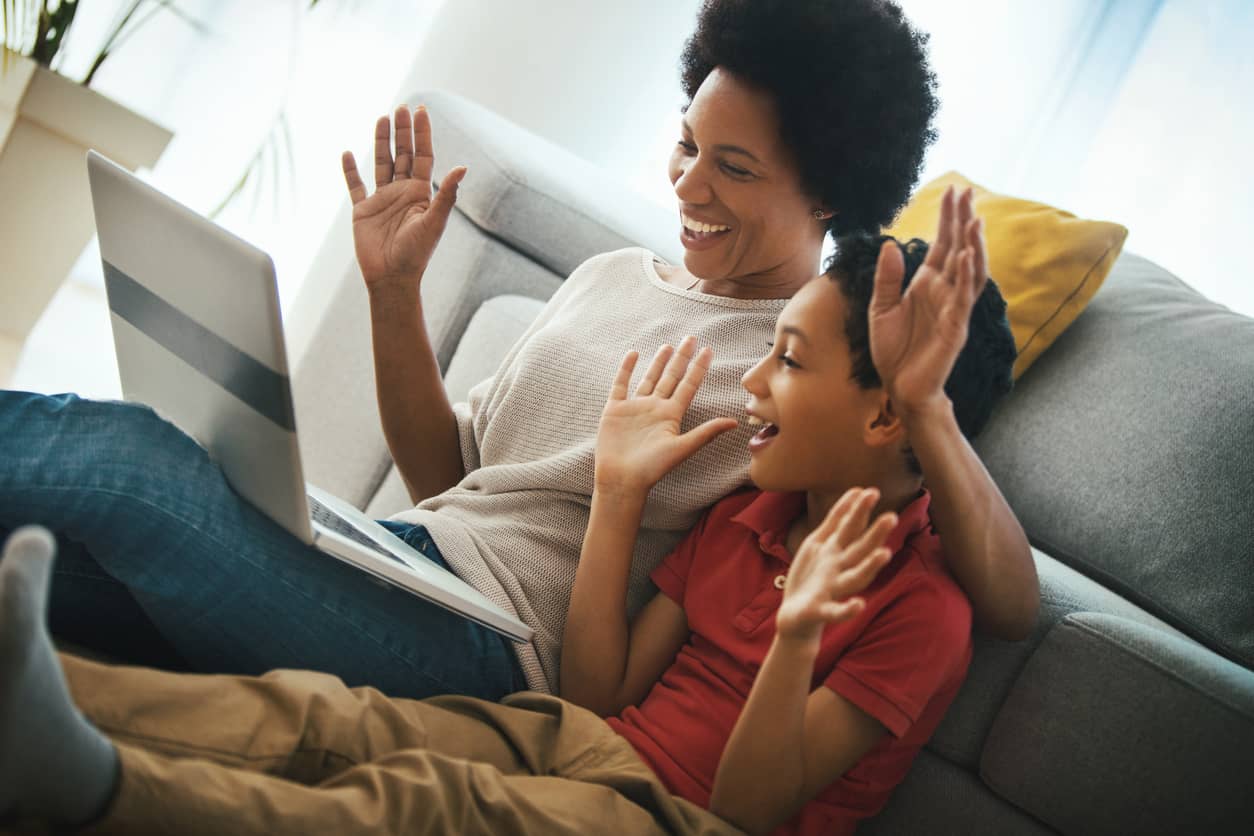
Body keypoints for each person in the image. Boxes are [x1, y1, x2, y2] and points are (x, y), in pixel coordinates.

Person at [0, 0, 1037, 700]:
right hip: (398, 558)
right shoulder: (611, 279)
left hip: (484, 645)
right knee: (45, 568)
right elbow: (449, 473)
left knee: (131, 464)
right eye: (684, 144)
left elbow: (1001, 591)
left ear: (830, 192)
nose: (685, 187)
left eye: (730, 167)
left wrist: (927, 394)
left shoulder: (798, 372)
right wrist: (394, 293)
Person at [0, 211, 1014, 835]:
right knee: (325, 719)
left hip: (666, 817)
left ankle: (98, 782)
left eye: (787, 360)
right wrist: (616, 492)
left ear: (892, 412)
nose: (750, 379)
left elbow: (740, 809)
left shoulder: (923, 608)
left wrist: (795, 633)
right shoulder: (752, 512)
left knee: (418, 806)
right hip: (573, 734)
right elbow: (597, 692)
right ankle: (36, 707)